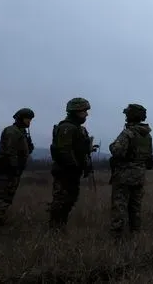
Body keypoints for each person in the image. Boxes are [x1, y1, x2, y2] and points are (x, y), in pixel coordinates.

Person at [108, 104, 153, 239]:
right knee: (135, 206)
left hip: (124, 175)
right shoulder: (147, 135)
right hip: (139, 175)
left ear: (130, 116)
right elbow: (149, 156)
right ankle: (135, 233)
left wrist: (111, 145)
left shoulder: (127, 133)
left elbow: (117, 152)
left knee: (119, 206)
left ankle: (116, 238)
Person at [48, 97, 94, 231]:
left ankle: (60, 226)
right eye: (84, 111)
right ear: (75, 111)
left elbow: (76, 149)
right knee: (61, 200)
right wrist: (73, 167)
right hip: (65, 172)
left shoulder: (77, 128)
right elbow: (64, 151)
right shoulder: (66, 128)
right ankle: (55, 229)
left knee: (69, 200)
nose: (86, 114)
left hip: (73, 172)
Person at [0, 108, 35, 226]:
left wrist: (29, 146)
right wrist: (15, 168)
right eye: (27, 119)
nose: (29, 122)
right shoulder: (12, 132)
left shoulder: (21, 132)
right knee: (4, 196)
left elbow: (24, 151)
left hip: (14, 169)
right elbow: (11, 152)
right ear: (20, 118)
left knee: (8, 196)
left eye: (30, 120)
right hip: (8, 168)